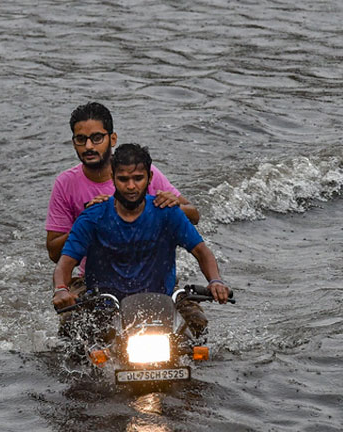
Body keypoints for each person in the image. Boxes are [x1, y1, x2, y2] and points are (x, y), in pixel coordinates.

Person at [51, 144, 229, 334]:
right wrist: (61, 289)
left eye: (138, 178)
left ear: (150, 178)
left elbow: (202, 252)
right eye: (123, 179)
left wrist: (215, 281)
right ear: (112, 178)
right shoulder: (93, 217)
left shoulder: (168, 213)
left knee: (198, 327)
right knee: (71, 331)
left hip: (162, 303)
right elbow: (64, 264)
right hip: (106, 307)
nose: (130, 186)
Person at [44, 102, 199, 274]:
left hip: (151, 276)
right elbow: (54, 254)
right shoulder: (65, 184)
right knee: (67, 299)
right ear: (74, 143)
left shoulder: (140, 173)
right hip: (94, 279)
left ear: (112, 139)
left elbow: (194, 215)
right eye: (81, 139)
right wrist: (86, 221)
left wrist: (171, 204)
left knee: (186, 301)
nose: (88, 146)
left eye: (97, 138)